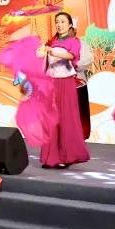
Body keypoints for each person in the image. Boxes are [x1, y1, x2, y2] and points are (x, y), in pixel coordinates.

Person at [36, 12, 91, 169]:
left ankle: (66, 157)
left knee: (66, 119)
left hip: (66, 84)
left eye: (62, 22)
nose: (59, 25)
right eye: (57, 22)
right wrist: (41, 52)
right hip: (51, 83)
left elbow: (70, 56)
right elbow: (40, 57)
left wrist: (51, 51)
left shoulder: (74, 41)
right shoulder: (52, 41)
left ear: (70, 24)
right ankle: (50, 158)